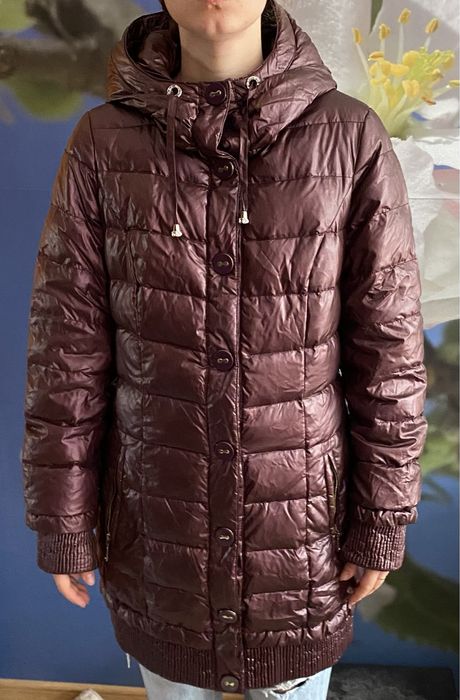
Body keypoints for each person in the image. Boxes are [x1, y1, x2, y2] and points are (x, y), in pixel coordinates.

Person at [20, 0, 428, 698]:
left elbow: (389, 354)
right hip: (158, 538)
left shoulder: (351, 137)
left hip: (301, 545)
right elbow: (65, 352)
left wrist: (383, 518)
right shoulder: (103, 144)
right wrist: (62, 518)